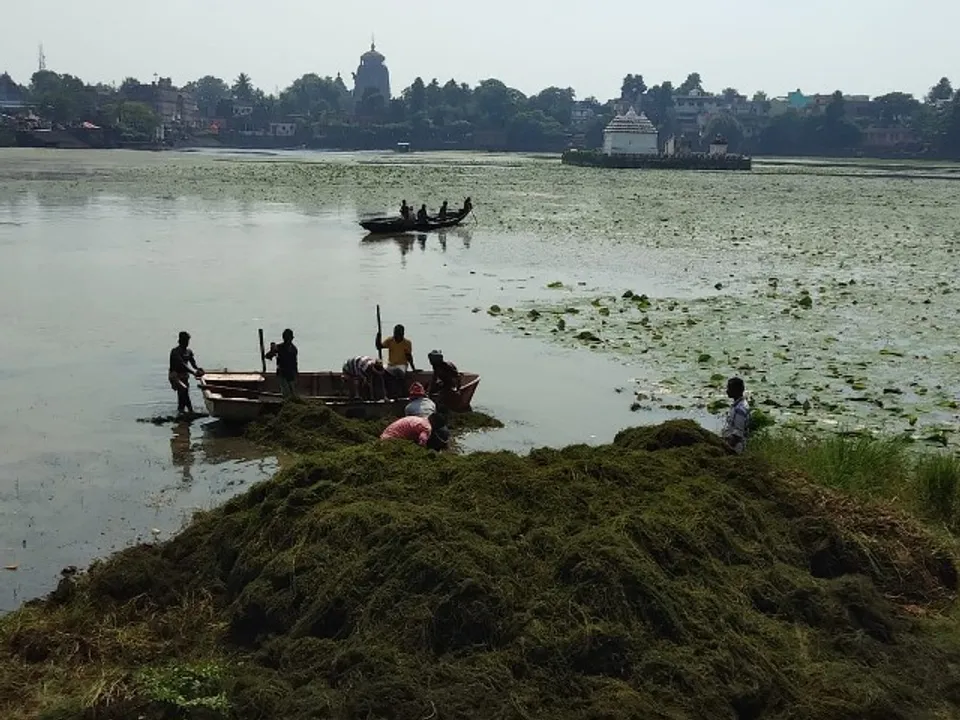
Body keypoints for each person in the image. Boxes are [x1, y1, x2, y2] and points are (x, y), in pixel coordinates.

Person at [376, 324, 416, 398]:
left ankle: (403, 393)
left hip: (401, 365)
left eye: (397, 333)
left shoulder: (407, 343)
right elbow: (379, 347)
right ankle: (388, 393)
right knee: (383, 373)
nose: (395, 335)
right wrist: (378, 337)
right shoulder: (390, 340)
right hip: (391, 365)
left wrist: (413, 368)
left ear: (402, 334)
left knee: (398, 373)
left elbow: (409, 357)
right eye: (394, 333)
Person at [168, 331, 204, 416]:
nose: (186, 343)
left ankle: (181, 411)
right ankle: (191, 410)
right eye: (184, 341)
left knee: (182, 394)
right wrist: (193, 372)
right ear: (180, 341)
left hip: (184, 376)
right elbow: (182, 364)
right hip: (175, 375)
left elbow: (193, 363)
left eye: (187, 341)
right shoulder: (175, 351)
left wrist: (198, 369)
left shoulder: (189, 351)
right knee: (184, 389)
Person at [380, 412, 449, 451]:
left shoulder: (421, 420)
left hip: (385, 436)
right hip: (391, 442)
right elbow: (422, 441)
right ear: (435, 424)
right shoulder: (427, 427)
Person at [264, 328, 298, 399]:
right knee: (286, 393)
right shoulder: (279, 347)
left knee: (293, 394)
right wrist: (272, 351)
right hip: (282, 374)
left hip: (290, 374)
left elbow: (295, 364)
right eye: (287, 338)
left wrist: (296, 375)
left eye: (289, 338)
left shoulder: (293, 349)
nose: (288, 339)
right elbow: (268, 356)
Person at [722, 377, 751, 454]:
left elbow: (737, 434)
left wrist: (724, 446)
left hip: (735, 448)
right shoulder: (737, 405)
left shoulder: (740, 409)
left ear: (736, 390)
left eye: (729, 388)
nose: (727, 391)